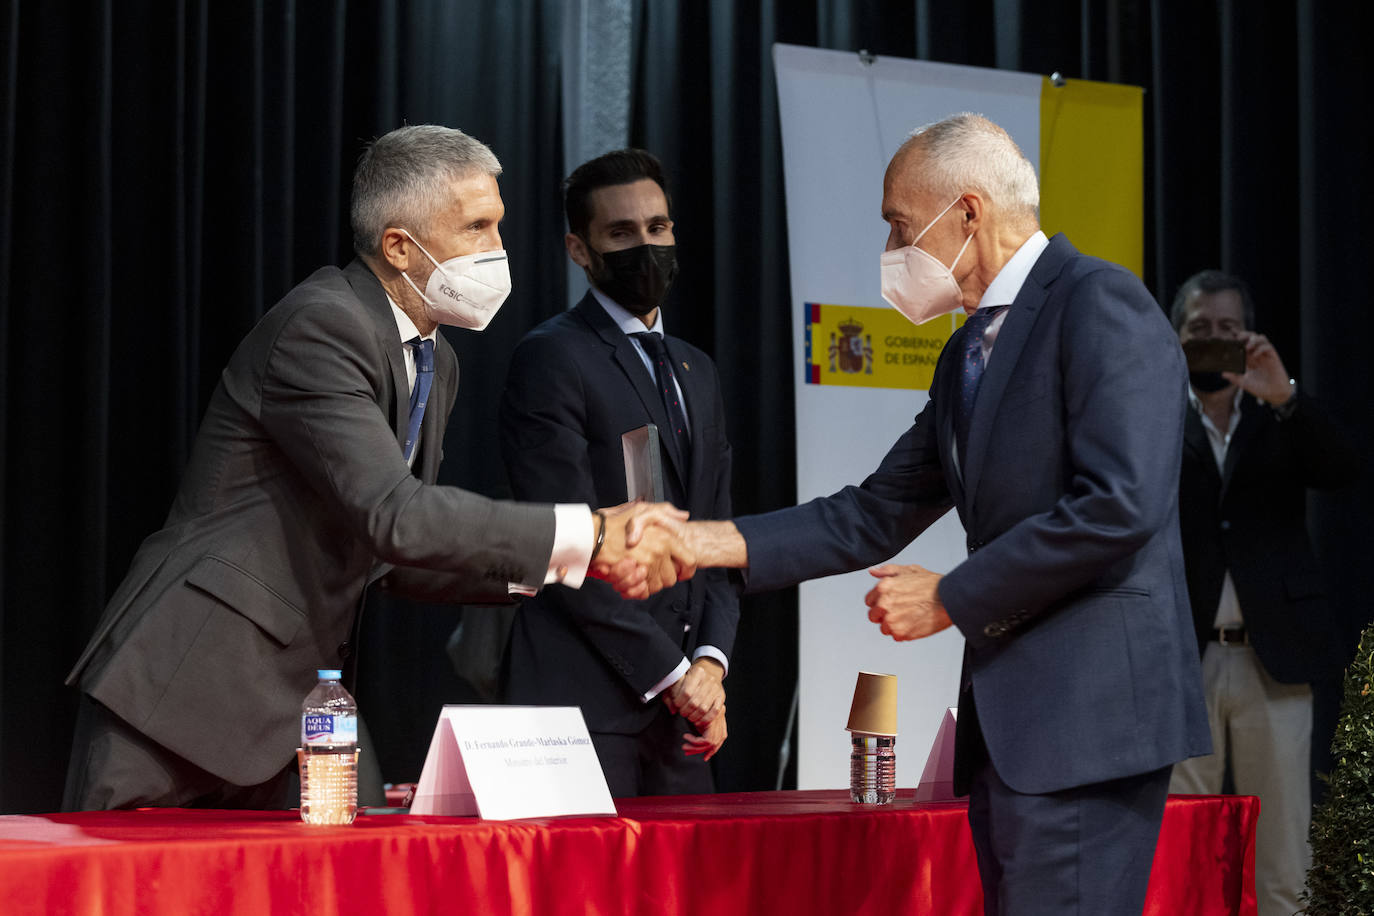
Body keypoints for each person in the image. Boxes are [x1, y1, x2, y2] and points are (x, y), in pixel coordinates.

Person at [638, 114, 1210, 915]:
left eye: (899, 227)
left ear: (967, 214)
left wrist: (952, 595)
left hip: (1090, 723)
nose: (891, 251)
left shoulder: (1100, 304)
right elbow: (873, 512)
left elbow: (1120, 507)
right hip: (1014, 730)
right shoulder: (968, 350)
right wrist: (699, 540)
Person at [61, 125, 693, 811]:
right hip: (187, 688)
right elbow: (398, 515)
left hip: (302, 704)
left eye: (499, 225)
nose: (498, 250)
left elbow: (394, 555)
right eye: (477, 227)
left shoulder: (433, 359)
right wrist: (591, 532)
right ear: (399, 246)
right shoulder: (322, 325)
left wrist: (568, 565)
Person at [499, 150, 735, 797]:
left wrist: (711, 666)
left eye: (658, 228)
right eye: (622, 234)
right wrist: (674, 674)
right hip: (581, 714)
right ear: (580, 248)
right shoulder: (551, 358)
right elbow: (563, 546)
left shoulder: (698, 370)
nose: (647, 246)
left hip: (686, 718)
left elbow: (717, 536)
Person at [1168, 269, 1360, 916]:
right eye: (1198, 329)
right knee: (1182, 854)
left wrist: (1286, 398)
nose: (1213, 339)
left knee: (1283, 860)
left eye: (1227, 328)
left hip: (1273, 657)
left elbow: (1342, 469)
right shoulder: (1151, 414)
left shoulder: (1281, 414)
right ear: (1176, 337)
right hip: (1180, 661)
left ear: (1248, 336)